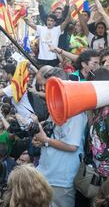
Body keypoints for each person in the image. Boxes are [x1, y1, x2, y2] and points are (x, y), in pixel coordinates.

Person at [32, 67, 88, 207]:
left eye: (50, 87)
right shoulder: (55, 106)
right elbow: (52, 135)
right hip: (45, 173)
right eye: (45, 86)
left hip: (61, 179)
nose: (46, 91)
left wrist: (46, 140)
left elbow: (72, 146)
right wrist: (41, 141)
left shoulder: (75, 113)